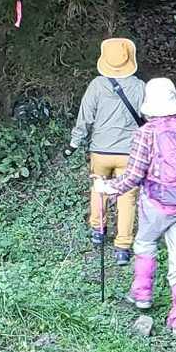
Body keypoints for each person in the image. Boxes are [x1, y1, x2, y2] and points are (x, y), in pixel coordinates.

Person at [96, 77, 176, 334]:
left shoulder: (145, 133)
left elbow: (133, 177)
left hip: (157, 203)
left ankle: (142, 294)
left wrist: (107, 187)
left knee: (145, 243)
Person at [69, 39, 147, 265]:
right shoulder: (139, 86)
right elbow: (148, 117)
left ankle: (98, 230)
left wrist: (74, 143)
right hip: (130, 152)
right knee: (127, 197)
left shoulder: (96, 85)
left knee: (98, 189)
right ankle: (123, 247)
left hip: (100, 151)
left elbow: (85, 117)